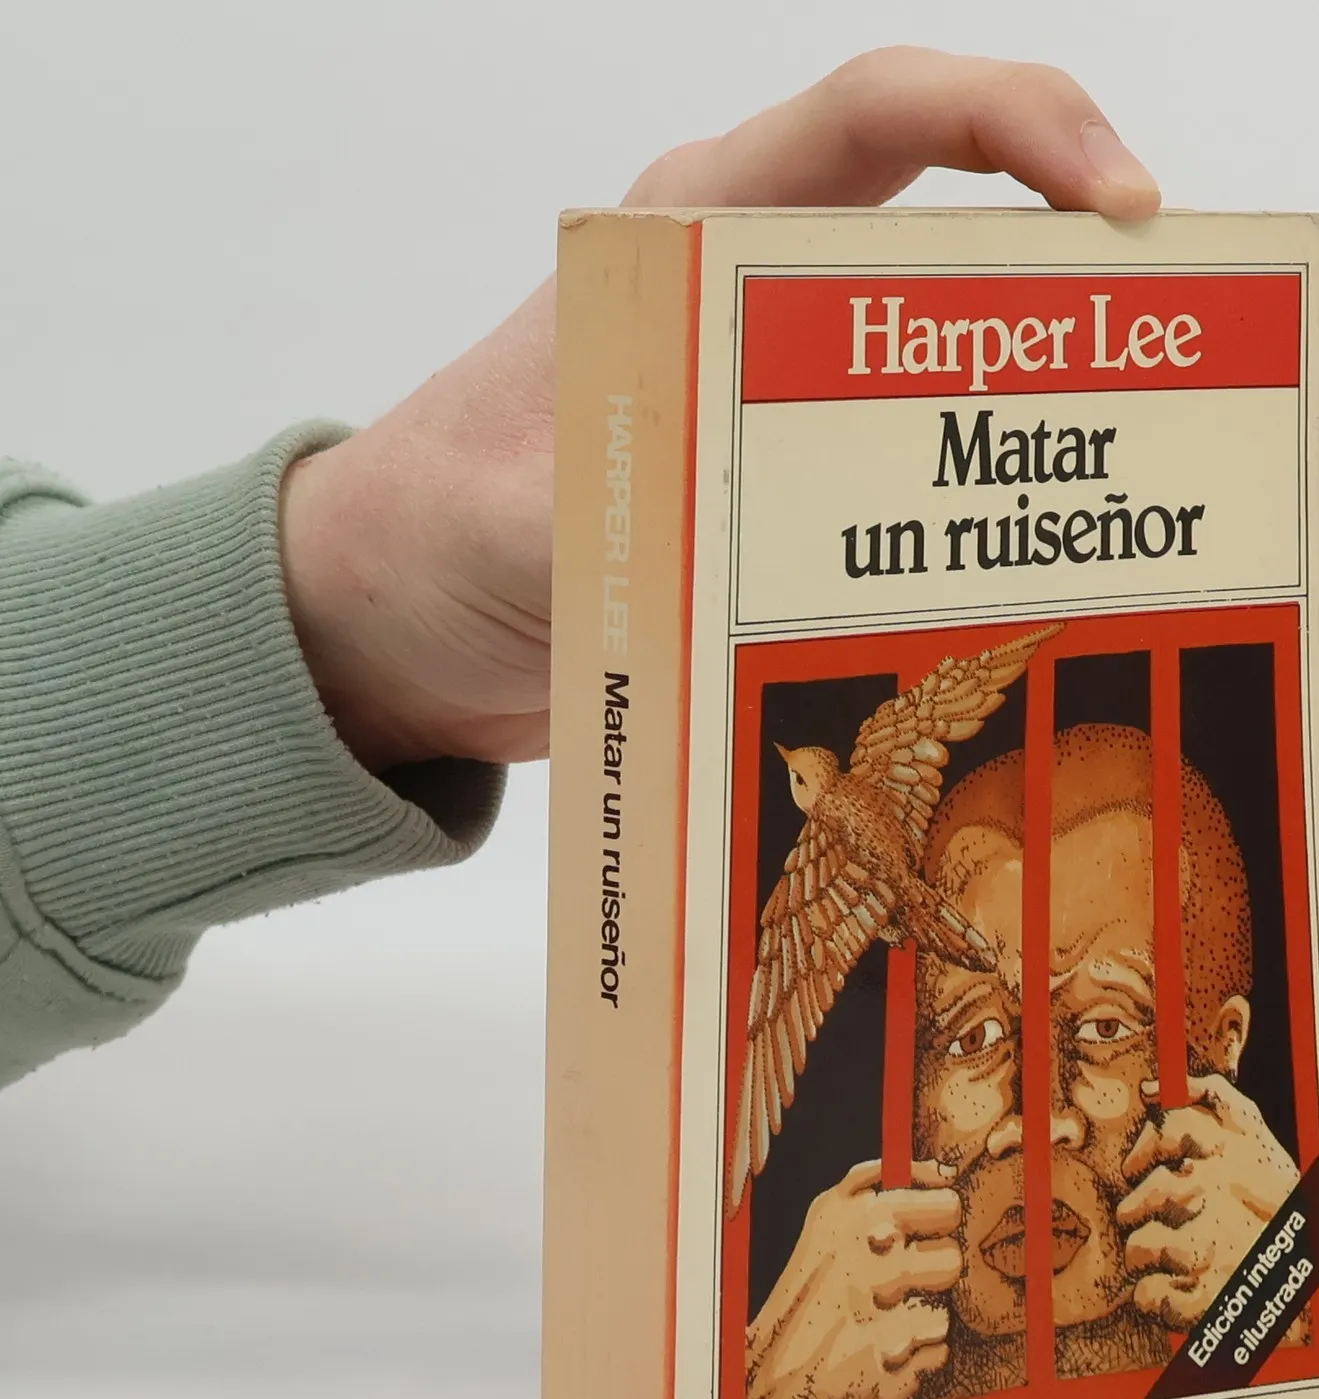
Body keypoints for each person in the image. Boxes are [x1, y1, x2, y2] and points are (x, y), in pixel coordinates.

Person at [0, 48, 1161, 1088]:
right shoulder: (836, 826)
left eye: (805, 779)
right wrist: (332, 609)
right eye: (806, 782)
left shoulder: (867, 782)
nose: (805, 786)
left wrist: (333, 610)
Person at [744, 719, 1306, 1399]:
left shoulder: (1306, 1292)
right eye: (974, 1038)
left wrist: (1293, 1289)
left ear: (1223, 1049)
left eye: (1107, 1028)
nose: (1035, 1120)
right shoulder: (794, 1382)